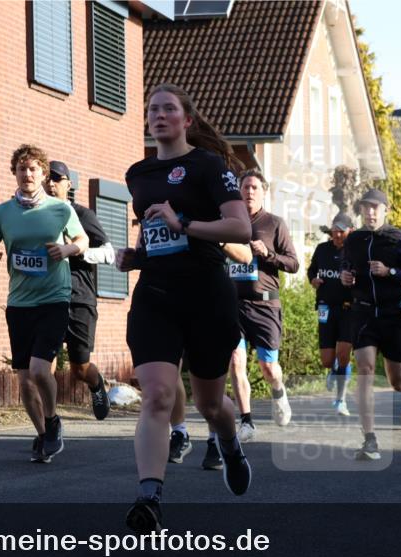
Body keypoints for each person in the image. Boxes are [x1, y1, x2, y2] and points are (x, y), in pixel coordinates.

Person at [118, 83, 251, 534]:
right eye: (152, 109)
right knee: (157, 394)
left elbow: (242, 227)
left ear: (186, 119)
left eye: (168, 109)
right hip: (156, 293)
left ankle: (230, 444)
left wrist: (185, 223)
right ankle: (150, 496)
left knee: (211, 404)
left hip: (206, 294)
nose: (158, 115)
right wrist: (134, 256)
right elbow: (152, 235)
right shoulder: (137, 174)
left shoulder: (209, 165)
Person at [0, 145, 88, 463]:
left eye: (33, 169)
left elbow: (82, 241)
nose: (27, 174)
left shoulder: (60, 209)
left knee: (41, 370)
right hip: (19, 303)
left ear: (42, 174)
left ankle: (53, 422)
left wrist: (67, 251)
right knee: (25, 380)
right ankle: (42, 434)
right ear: (15, 173)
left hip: (54, 299)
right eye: (21, 169)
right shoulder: (2, 213)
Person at [340, 188, 401, 460]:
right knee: (365, 369)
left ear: (385, 210)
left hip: (393, 314)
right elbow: (348, 266)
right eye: (366, 207)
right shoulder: (353, 240)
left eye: (375, 207)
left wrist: (389, 272)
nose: (370, 212)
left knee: (397, 380)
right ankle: (370, 439)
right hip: (364, 313)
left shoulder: (397, 239)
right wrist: (346, 277)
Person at [167, 239, 254, 470]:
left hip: (209, 299)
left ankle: (217, 441)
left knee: (209, 394)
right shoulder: (158, 205)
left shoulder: (218, 209)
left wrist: (214, 236)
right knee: (167, 370)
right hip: (168, 297)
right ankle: (179, 433)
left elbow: (245, 255)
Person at [227, 168, 300, 440]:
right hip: (234, 304)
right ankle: (246, 421)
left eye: (254, 187)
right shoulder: (229, 223)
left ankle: (278, 391)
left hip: (265, 305)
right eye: (245, 187)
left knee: (268, 367)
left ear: (264, 192)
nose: (249, 192)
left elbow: (293, 263)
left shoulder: (274, 224)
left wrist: (267, 254)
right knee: (235, 361)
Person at [45, 160, 114, 420]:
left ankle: (97, 386)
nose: (51, 184)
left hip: (79, 298)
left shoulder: (82, 215)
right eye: (47, 178)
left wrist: (76, 250)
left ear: (68, 184)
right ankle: (48, 422)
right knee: (44, 365)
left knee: (79, 369)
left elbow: (109, 254)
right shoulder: (37, 217)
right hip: (47, 297)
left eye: (57, 179)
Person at [307, 212, 356, 416]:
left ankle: (340, 400)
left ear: (349, 231)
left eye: (341, 231)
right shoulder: (322, 249)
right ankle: (334, 369)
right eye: (334, 230)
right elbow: (312, 271)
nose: (337, 234)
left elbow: (364, 276)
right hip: (325, 307)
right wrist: (313, 280)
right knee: (327, 360)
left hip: (348, 308)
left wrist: (355, 281)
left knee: (344, 353)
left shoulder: (356, 252)